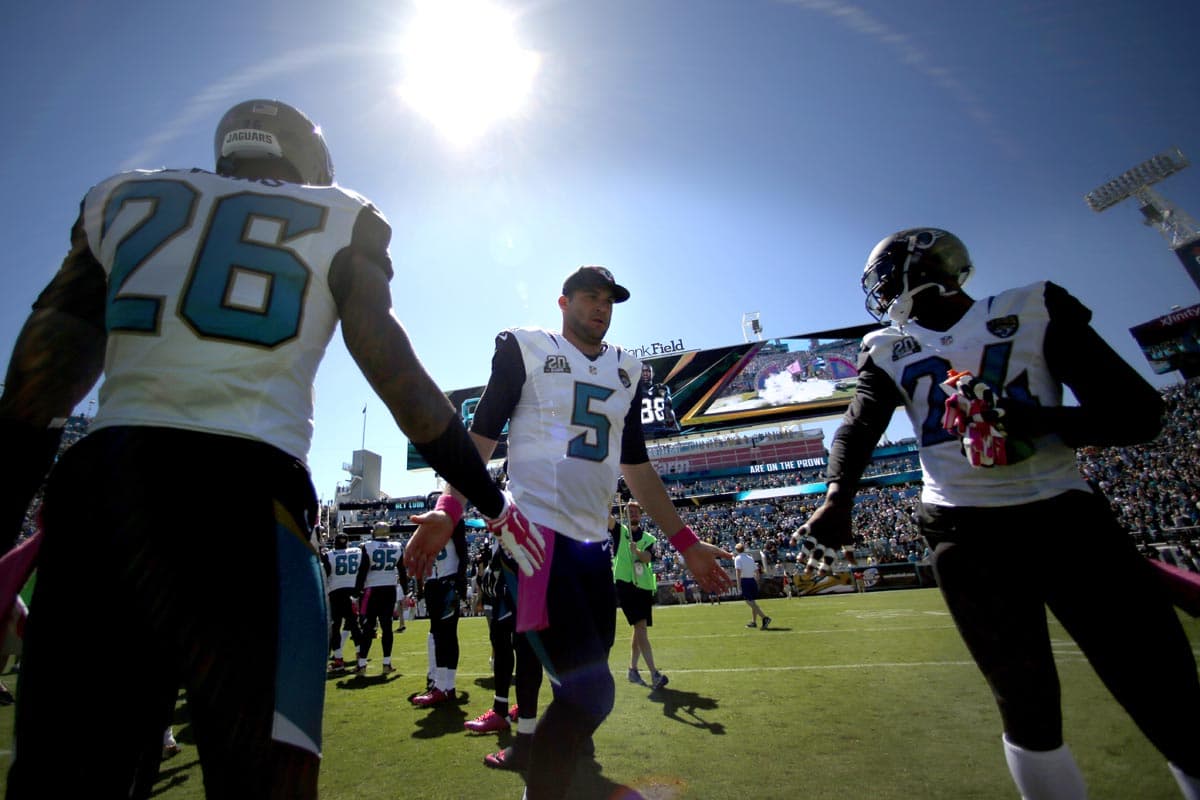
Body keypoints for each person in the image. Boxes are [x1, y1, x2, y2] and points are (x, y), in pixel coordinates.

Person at [0, 98, 525, 799]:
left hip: (106, 500)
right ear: (309, 163)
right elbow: (404, 386)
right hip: (248, 504)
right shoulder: (341, 212)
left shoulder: (124, 195)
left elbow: (35, 392)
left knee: (67, 782)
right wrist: (491, 501)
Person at [799, 227, 1200, 800]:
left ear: (920, 270)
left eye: (886, 280)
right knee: (1023, 701)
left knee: (1162, 689)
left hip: (1063, 515)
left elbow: (1139, 414)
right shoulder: (886, 346)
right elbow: (858, 425)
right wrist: (838, 496)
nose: (883, 296)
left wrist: (1037, 421)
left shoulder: (1034, 306)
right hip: (963, 529)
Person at [407, 265, 734, 800]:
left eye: (608, 300)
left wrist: (686, 541)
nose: (600, 308)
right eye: (589, 297)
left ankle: (550, 761)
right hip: (534, 543)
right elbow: (481, 436)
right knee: (592, 693)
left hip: (592, 550)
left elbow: (636, 466)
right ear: (563, 302)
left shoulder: (628, 370)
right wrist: (449, 506)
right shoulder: (526, 348)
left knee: (586, 682)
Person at [411, 517, 467, 706]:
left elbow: (463, 553)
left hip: (448, 581)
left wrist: (459, 582)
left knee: (448, 634)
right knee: (438, 633)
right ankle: (442, 686)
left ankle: (446, 685)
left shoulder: (454, 523)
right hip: (432, 583)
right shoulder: (426, 528)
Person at [612, 502, 668, 689]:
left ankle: (632, 669)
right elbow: (606, 518)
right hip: (626, 585)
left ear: (641, 515)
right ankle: (654, 673)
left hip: (643, 586)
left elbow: (647, 558)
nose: (633, 514)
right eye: (630, 512)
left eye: (636, 512)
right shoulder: (620, 531)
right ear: (624, 514)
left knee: (639, 628)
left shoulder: (648, 538)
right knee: (641, 627)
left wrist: (636, 551)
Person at [355, 522, 406, 675]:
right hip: (389, 589)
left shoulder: (368, 546)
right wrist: (405, 589)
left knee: (368, 627)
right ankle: (386, 663)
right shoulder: (397, 546)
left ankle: (362, 665)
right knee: (387, 627)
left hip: (372, 589)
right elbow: (402, 571)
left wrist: (357, 592)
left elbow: (363, 571)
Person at [323, 531, 365, 671]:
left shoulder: (329, 555)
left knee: (335, 626)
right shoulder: (357, 552)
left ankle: (338, 660)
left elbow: (326, 573)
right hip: (352, 591)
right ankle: (360, 657)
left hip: (336, 592)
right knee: (354, 625)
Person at [733, 542, 770, 629]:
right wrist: (756, 580)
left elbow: (738, 572)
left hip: (745, 580)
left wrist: (738, 585)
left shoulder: (738, 558)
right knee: (752, 601)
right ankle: (754, 622)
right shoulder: (750, 558)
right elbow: (756, 571)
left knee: (749, 601)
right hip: (752, 579)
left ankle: (764, 617)